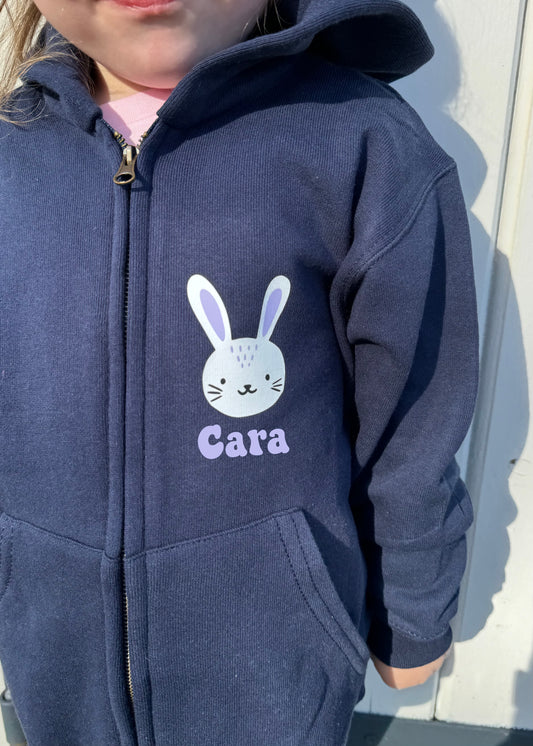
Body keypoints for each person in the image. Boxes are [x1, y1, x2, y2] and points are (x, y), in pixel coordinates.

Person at [0, 0, 479, 743]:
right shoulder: (11, 150)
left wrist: (414, 608)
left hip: (273, 673)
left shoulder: (359, 141)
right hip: (53, 660)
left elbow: (413, 415)